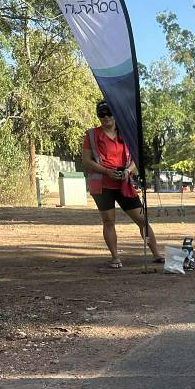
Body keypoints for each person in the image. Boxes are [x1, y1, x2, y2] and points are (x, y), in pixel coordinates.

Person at [81, 99, 162, 268]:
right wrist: (107, 171)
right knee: (109, 221)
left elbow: (135, 159)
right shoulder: (91, 135)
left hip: (124, 183)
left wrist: (127, 171)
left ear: (115, 114)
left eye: (109, 113)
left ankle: (156, 253)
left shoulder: (126, 133)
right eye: (101, 114)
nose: (106, 117)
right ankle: (115, 257)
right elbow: (87, 161)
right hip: (102, 184)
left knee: (142, 219)